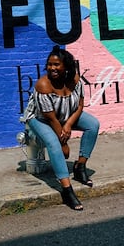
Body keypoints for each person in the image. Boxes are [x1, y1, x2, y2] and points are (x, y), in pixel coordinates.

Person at [22, 45, 100, 210]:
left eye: (56, 65)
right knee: (54, 144)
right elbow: (50, 117)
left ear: (66, 66)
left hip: (66, 114)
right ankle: (66, 189)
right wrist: (63, 142)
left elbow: (80, 105)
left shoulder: (75, 79)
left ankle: (80, 167)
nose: (52, 68)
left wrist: (69, 124)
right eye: (50, 64)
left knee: (93, 125)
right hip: (41, 118)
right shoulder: (43, 85)